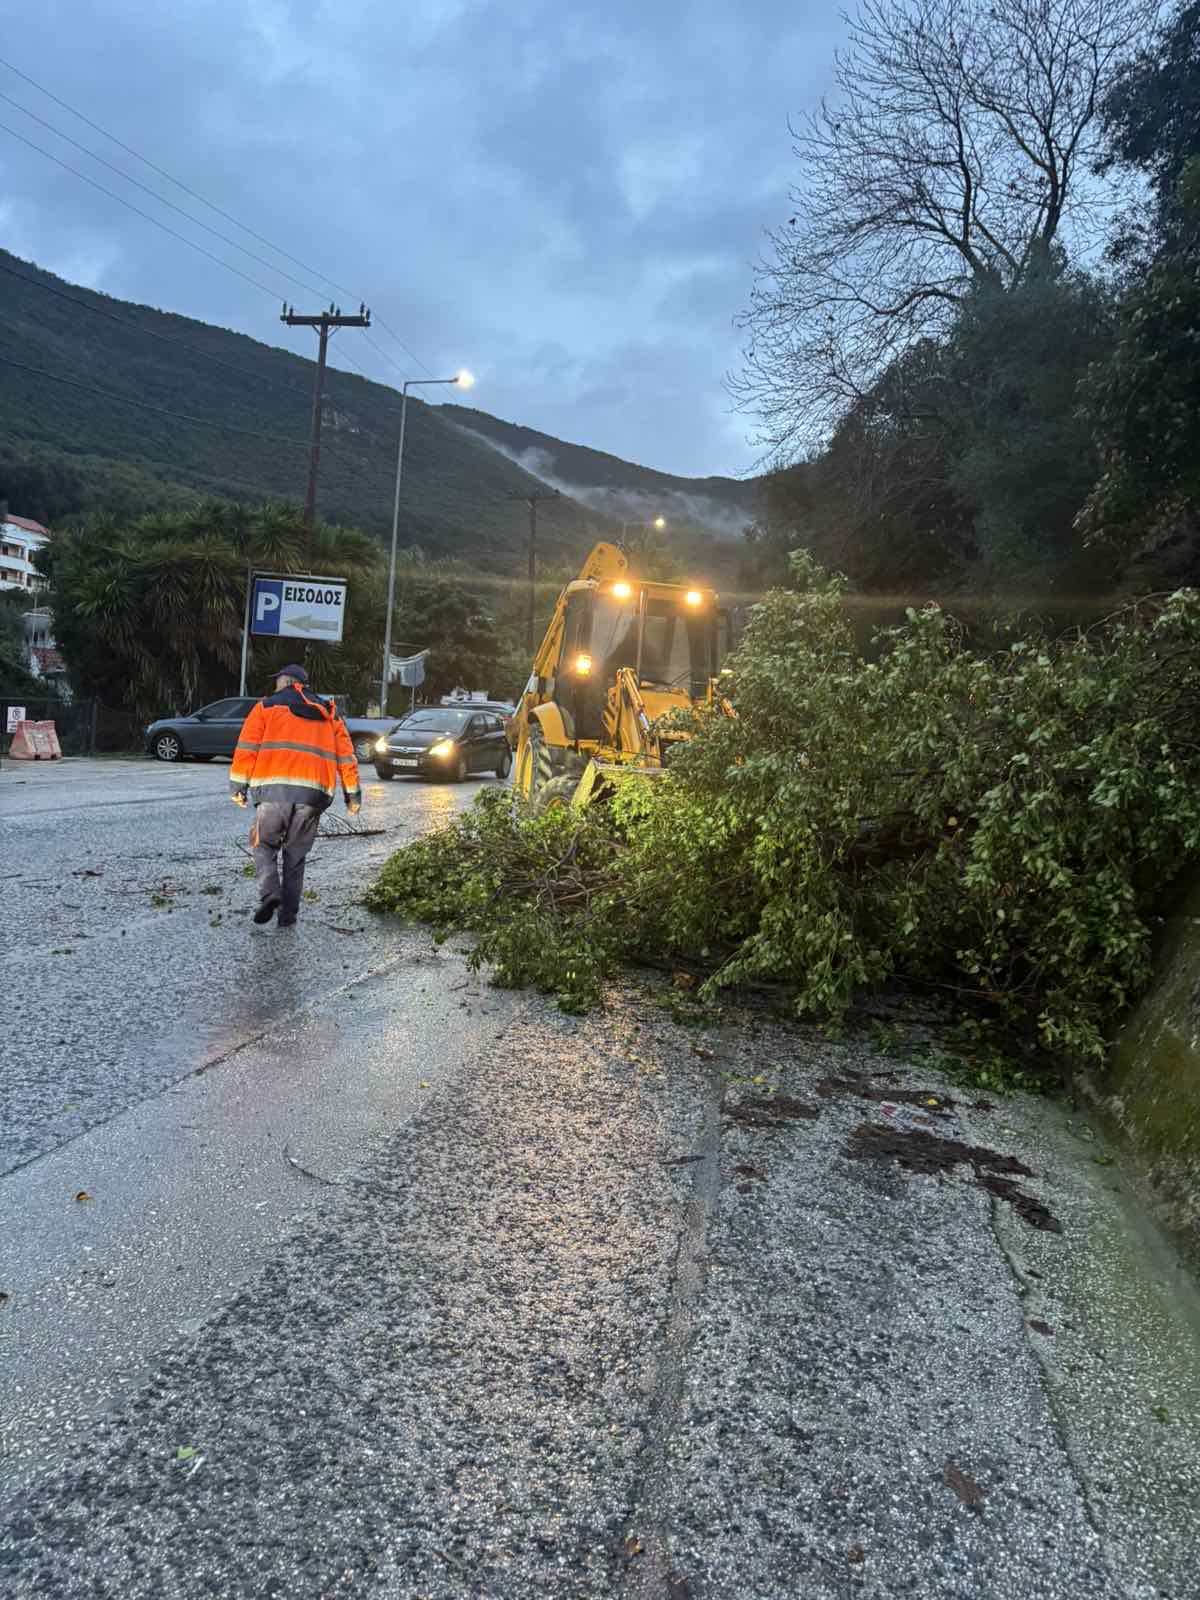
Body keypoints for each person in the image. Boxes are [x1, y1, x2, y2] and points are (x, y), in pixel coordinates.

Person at [229, 665, 361, 928]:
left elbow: (246, 749)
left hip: (274, 790)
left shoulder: (265, 707)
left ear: (286, 681)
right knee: (295, 855)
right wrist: (353, 795)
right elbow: (347, 757)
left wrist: (237, 787)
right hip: (313, 794)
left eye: (277, 680)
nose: (275, 685)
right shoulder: (329, 713)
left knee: (264, 845)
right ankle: (288, 916)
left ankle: (270, 893)